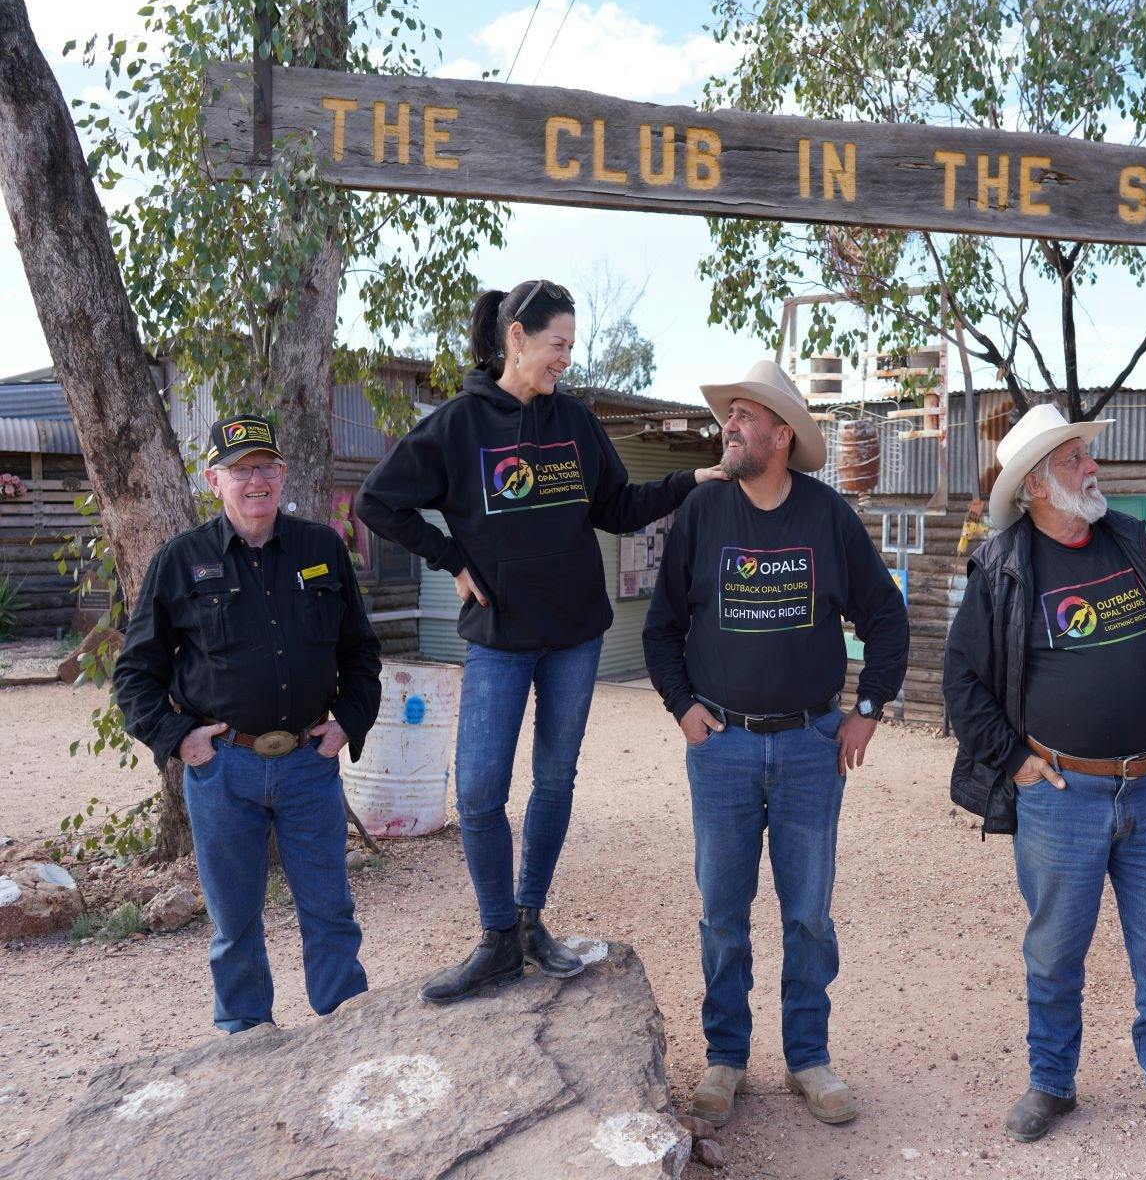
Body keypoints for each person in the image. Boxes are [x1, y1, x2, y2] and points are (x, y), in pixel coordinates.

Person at [355, 280, 726, 1004]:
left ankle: (530, 924)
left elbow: (618, 508)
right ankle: (495, 937)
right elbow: (377, 500)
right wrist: (452, 561)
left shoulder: (575, 423)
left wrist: (693, 479)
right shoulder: (460, 424)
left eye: (571, 348)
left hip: (574, 637)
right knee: (482, 792)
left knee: (556, 782)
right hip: (499, 637)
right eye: (557, 345)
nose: (565, 360)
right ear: (516, 338)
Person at [944, 403, 1146, 1180]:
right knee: (1054, 951)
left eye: (1085, 457)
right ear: (1037, 483)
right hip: (1061, 793)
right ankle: (1052, 1084)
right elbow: (962, 683)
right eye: (1073, 461)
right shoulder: (1004, 567)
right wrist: (1014, 761)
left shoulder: (1131, 542)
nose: (1090, 469)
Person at [643, 361, 909, 1129]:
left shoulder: (827, 518)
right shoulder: (701, 512)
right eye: (727, 414)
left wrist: (865, 709)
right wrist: (684, 709)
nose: (729, 424)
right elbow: (661, 629)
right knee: (722, 913)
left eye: (743, 415)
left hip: (809, 748)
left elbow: (887, 619)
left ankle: (808, 1059)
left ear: (782, 434)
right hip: (722, 749)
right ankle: (725, 1059)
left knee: (808, 915)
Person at [114, 414, 381, 1033]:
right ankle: (244, 1042)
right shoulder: (181, 562)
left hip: (309, 767)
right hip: (223, 770)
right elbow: (135, 673)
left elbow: (361, 653)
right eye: (240, 470)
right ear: (215, 481)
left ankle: (349, 1037)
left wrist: (348, 722)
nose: (255, 480)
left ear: (283, 474)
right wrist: (178, 738)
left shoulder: (322, 549)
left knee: (331, 912)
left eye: (265, 466)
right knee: (234, 924)